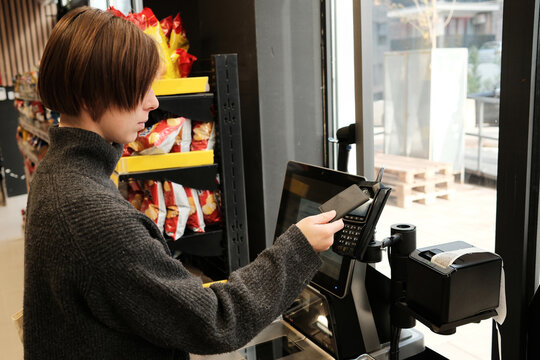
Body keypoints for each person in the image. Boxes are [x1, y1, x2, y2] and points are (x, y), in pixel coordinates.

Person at [24, 6, 344, 360]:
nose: (153, 102)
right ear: (90, 95)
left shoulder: (56, 174)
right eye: (139, 88)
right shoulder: (91, 216)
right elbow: (217, 321)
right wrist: (298, 247)